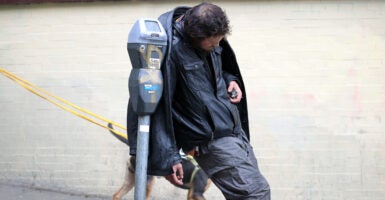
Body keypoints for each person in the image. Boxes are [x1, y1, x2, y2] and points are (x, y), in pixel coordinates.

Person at [127, 2, 270, 199]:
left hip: (234, 132)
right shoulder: (170, 49)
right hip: (210, 140)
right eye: (212, 44)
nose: (217, 46)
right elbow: (158, 106)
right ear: (194, 35)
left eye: (220, 41)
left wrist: (231, 80)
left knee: (254, 191)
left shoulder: (210, 39)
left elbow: (219, 70)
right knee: (255, 194)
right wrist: (169, 156)